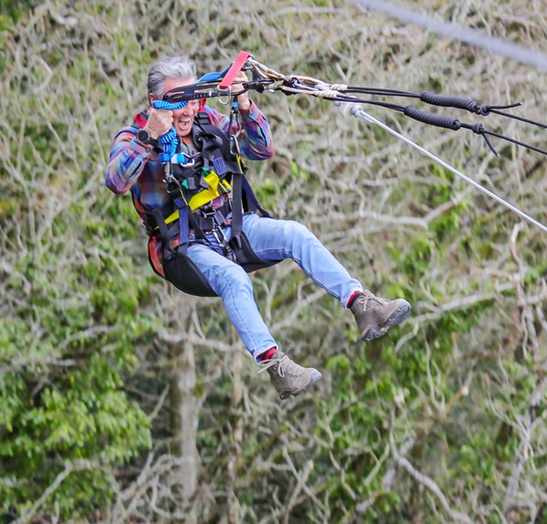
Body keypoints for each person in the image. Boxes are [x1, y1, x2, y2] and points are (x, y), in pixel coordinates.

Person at [106, 56, 410, 399]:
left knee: (294, 232)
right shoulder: (135, 136)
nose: (188, 111)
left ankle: (362, 305)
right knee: (234, 279)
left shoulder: (210, 121)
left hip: (233, 229)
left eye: (192, 100)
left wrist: (245, 105)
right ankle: (277, 367)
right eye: (177, 103)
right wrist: (150, 135)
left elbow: (262, 149)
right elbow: (115, 180)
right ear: (156, 103)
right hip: (186, 249)